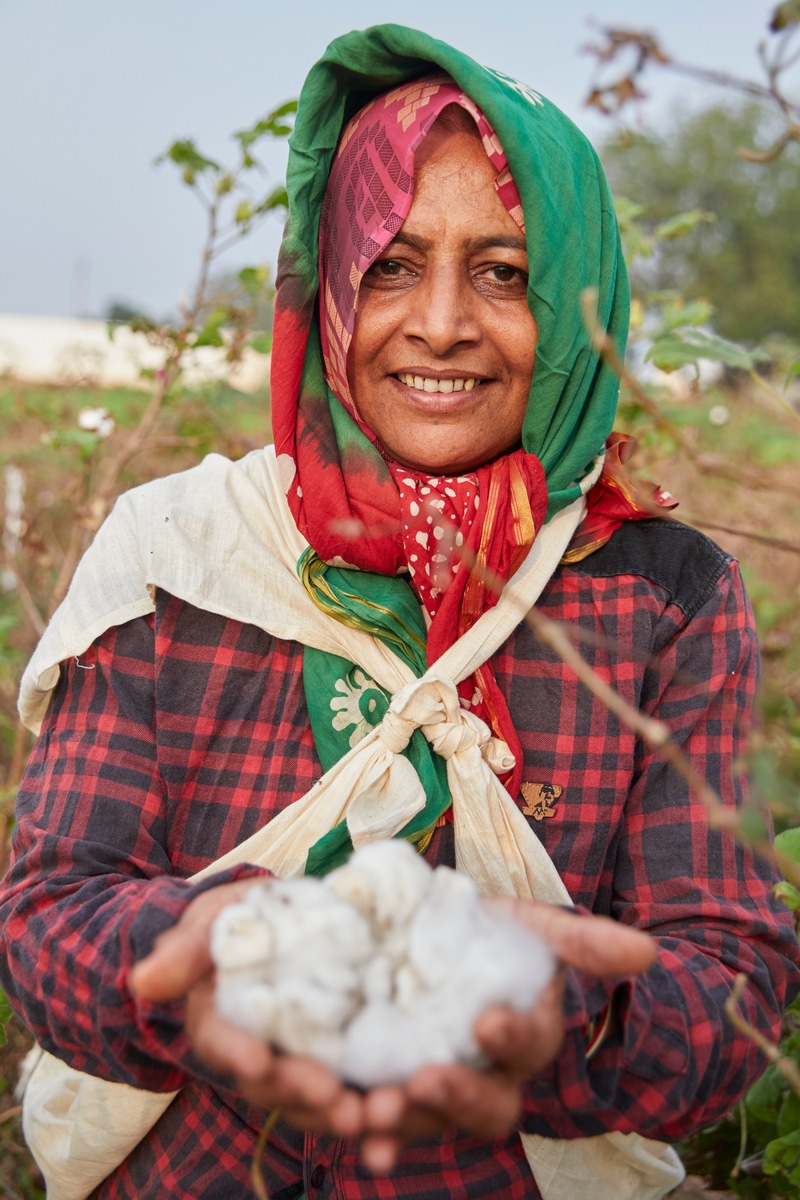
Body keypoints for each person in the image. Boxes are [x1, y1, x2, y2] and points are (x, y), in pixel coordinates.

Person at [1, 23, 797, 1200]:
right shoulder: (177, 551)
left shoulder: (661, 594)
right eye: (388, 263)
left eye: (504, 273)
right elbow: (50, 911)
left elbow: (726, 982)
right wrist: (204, 962)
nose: (437, 325)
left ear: (581, 304)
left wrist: (554, 1013)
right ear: (325, 288)